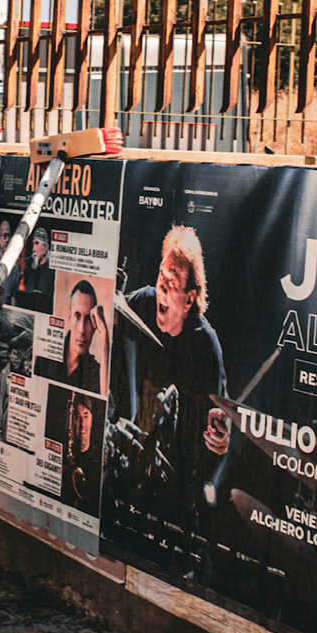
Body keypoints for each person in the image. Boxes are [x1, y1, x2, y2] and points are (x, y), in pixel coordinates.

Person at [110, 225, 229, 541]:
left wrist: (222, 438)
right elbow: (111, 313)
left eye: (172, 284)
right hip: (131, 465)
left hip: (177, 487)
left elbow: (222, 417)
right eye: (161, 277)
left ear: (190, 298)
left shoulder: (206, 345)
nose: (161, 289)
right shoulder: (143, 303)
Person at [36, 279, 106, 393]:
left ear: (95, 325)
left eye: (88, 319)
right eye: (77, 316)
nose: (82, 329)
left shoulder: (96, 372)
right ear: (69, 317)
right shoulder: (45, 357)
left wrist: (104, 334)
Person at [10, 225, 55, 311]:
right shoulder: (30, 271)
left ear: (45, 248)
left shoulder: (50, 274)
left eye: (37, 243)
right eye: (33, 244)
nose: (33, 249)